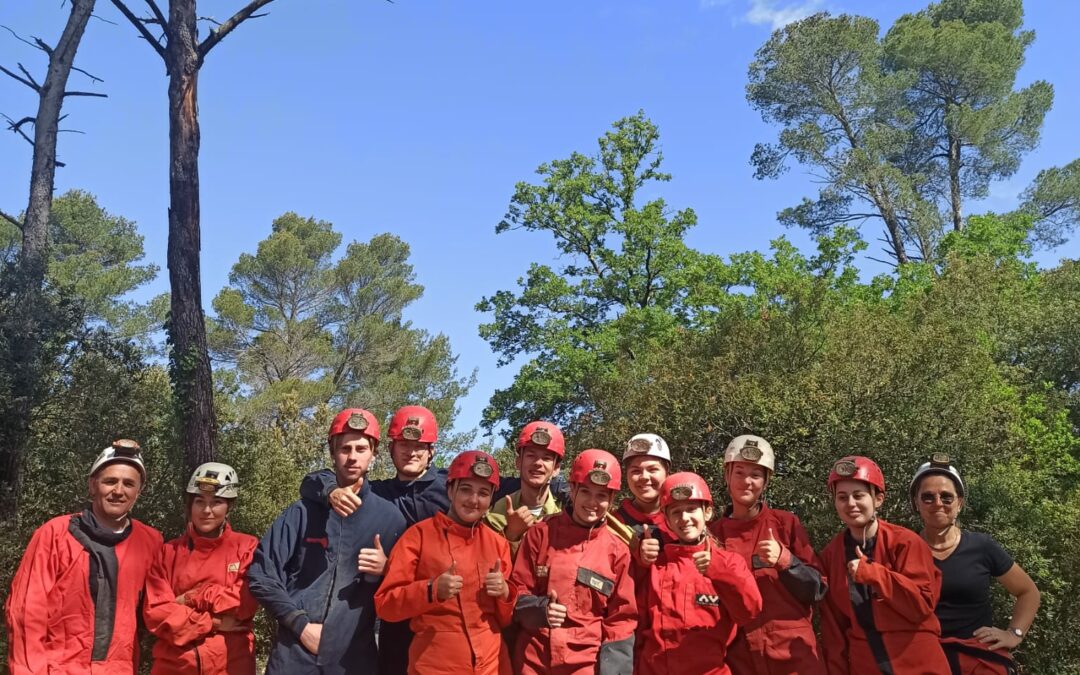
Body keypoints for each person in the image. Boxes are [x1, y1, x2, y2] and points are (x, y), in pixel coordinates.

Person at [248, 408, 407, 675]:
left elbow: (406, 592)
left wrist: (388, 569)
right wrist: (299, 624)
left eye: (361, 449)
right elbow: (261, 574)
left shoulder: (390, 519)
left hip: (354, 661)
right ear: (333, 453)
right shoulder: (302, 512)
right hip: (293, 656)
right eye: (345, 449)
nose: (352, 457)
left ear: (374, 454)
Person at [6, 439, 163, 675]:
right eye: (110, 481)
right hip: (58, 669)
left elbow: (163, 608)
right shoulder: (55, 534)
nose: (118, 491)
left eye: (129, 484)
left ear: (138, 492)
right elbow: (27, 612)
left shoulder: (150, 542)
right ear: (92, 485)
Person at [375, 450, 516, 674]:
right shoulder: (418, 537)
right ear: (450, 490)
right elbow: (386, 605)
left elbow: (506, 620)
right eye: (466, 489)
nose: (473, 500)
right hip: (435, 666)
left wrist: (505, 593)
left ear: (491, 499)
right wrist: (430, 590)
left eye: (483, 493)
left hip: (492, 666)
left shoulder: (498, 544)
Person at [510, 449, 638, 675]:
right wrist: (539, 610)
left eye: (602, 495)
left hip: (585, 665)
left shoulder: (618, 552)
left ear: (611, 499)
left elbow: (621, 620)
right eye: (585, 491)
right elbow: (516, 589)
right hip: (533, 662)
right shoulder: (540, 534)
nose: (592, 502)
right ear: (573, 489)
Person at [819, 455, 950, 674]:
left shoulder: (906, 542)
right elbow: (834, 628)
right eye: (842, 497)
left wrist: (874, 574)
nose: (850, 503)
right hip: (866, 664)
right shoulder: (831, 555)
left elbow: (921, 606)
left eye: (858, 495)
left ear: (878, 499)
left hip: (917, 662)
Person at [910, 454, 1040, 675]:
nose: (938, 503)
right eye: (928, 497)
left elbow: (1028, 592)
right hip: (922, 659)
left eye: (947, 497)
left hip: (977, 659)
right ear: (916, 503)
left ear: (959, 503)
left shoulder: (982, 546)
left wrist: (1014, 634)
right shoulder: (903, 548)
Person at [711, 435, 827, 675]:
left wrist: (786, 561)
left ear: (766, 481)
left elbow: (817, 590)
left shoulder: (786, 524)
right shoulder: (712, 536)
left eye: (756, 475)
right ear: (726, 475)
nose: (747, 481)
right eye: (739, 473)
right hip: (740, 660)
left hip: (795, 658)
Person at [636, 472, 762, 674]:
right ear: (667, 521)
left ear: (707, 512)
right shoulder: (656, 567)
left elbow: (749, 610)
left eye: (691, 509)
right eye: (676, 512)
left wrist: (718, 570)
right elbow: (636, 629)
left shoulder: (730, 563)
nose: (684, 518)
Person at [143, 462, 259, 674]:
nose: (206, 510)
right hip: (174, 666)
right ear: (190, 505)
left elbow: (244, 603)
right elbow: (157, 613)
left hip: (231, 665)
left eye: (216, 502)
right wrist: (214, 622)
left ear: (229, 506)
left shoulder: (247, 547)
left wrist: (192, 598)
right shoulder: (168, 552)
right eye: (199, 501)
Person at [485, 421, 565, 557]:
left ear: (556, 468)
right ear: (518, 462)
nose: (538, 463)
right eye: (531, 456)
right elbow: (487, 560)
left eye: (546, 458)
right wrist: (511, 534)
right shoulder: (497, 514)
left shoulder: (565, 514)